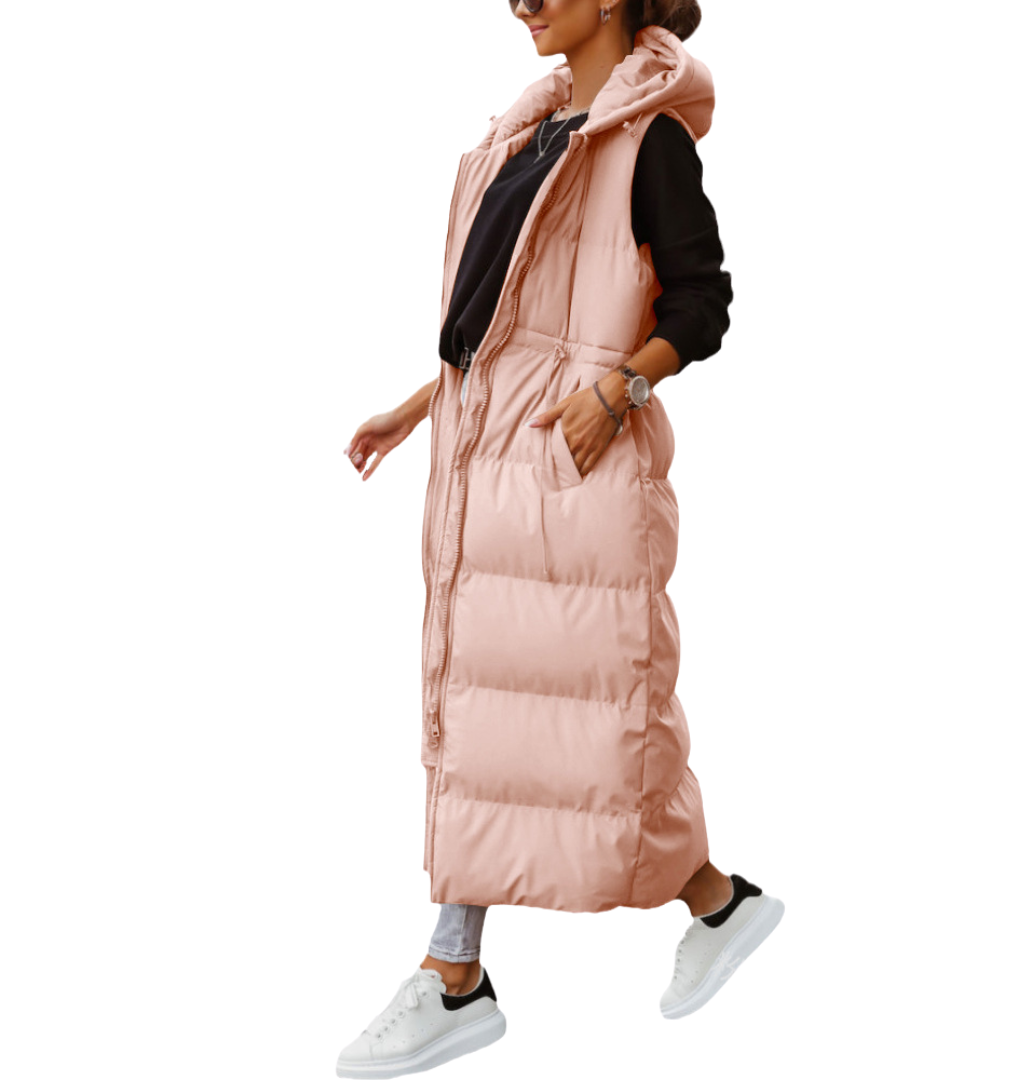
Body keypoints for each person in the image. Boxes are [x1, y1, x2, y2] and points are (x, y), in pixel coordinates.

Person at [338, 2, 783, 1075]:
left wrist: (620, 390)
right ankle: (500, 960)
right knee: (487, 728)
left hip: (572, 476)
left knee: (594, 729)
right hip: (483, 467)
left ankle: (470, 967)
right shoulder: (526, 137)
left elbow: (703, 303)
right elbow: (494, 329)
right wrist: (420, 408)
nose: (522, 1)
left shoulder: (648, 141)